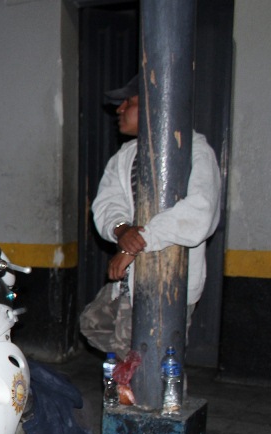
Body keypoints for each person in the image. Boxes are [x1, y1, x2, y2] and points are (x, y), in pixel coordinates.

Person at [86, 74, 221, 351]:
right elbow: (106, 204)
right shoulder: (124, 156)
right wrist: (122, 229)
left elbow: (199, 213)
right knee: (93, 324)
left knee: (153, 360)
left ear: (154, 106)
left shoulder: (195, 150)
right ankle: (128, 387)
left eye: (128, 102)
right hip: (129, 280)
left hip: (167, 282)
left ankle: (154, 392)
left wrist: (138, 242)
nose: (119, 110)